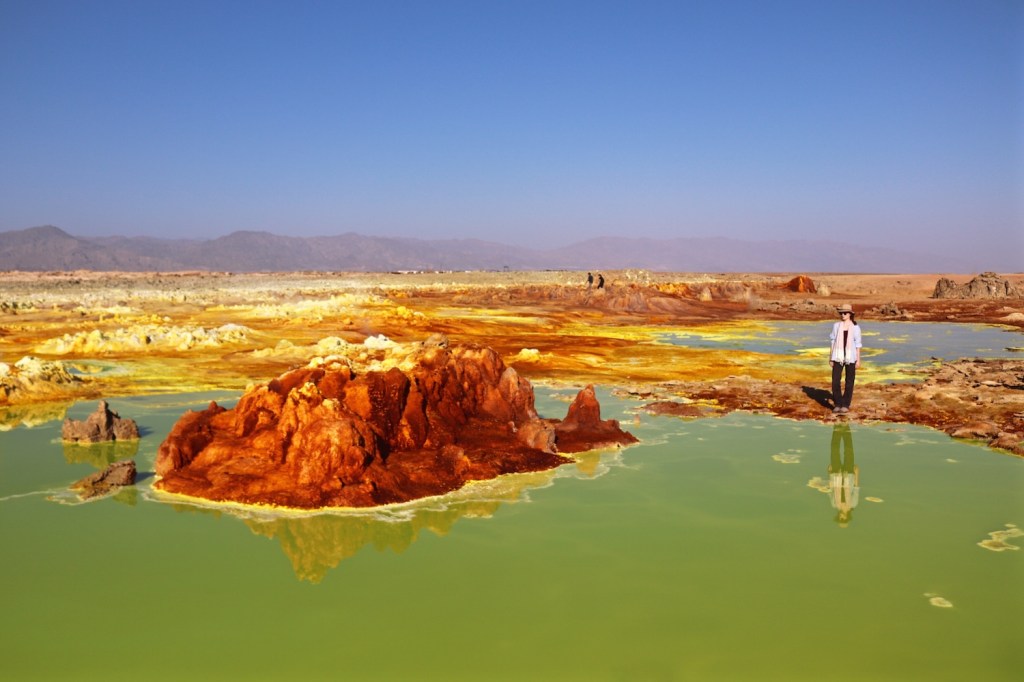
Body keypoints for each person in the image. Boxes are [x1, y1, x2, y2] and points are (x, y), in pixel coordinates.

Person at [829, 303, 862, 414]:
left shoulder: (856, 328)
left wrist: (858, 359)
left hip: (850, 357)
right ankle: (838, 403)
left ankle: (846, 404)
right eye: (841, 313)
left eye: (845, 313)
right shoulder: (836, 326)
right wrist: (831, 358)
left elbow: (858, 344)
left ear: (850, 314)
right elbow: (832, 341)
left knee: (849, 382)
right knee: (835, 381)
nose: (842, 315)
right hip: (837, 356)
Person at [828, 423, 859, 527]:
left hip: (835, 475)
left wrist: (829, 474)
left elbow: (831, 489)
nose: (841, 517)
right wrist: (857, 474)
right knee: (849, 450)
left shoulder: (834, 504)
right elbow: (856, 488)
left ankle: (837, 427)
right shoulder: (853, 504)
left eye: (840, 519)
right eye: (843, 519)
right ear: (847, 517)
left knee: (834, 449)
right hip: (849, 475)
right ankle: (846, 427)